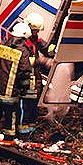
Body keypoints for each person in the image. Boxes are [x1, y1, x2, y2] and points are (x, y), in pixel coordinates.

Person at [0, 22, 32, 144]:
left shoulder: (1, 47)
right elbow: (25, 73)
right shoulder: (23, 51)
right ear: (24, 37)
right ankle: (7, 140)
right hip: (11, 92)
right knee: (10, 116)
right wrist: (24, 89)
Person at [18, 12, 55, 140]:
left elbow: (46, 47)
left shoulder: (35, 39)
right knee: (26, 107)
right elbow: (26, 62)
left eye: (37, 30)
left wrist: (55, 50)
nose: (36, 33)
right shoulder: (22, 42)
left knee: (33, 107)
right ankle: (23, 134)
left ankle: (31, 132)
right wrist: (43, 61)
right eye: (34, 30)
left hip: (35, 79)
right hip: (26, 79)